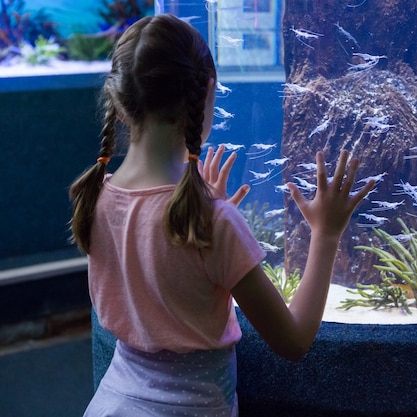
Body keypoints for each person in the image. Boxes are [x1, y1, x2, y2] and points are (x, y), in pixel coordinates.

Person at [69, 13, 375, 417]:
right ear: (208, 94)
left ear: (120, 103)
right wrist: (326, 234)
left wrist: (195, 203)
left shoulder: (95, 196)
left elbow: (156, 268)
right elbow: (294, 340)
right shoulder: (215, 224)